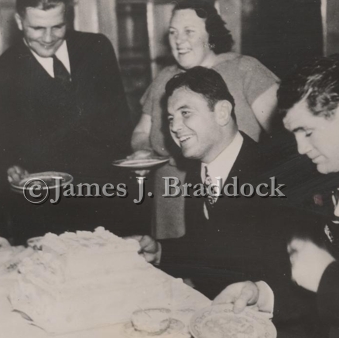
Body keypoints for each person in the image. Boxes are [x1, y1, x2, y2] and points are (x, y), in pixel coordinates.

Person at [135, 67, 316, 332]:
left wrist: (260, 294)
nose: (174, 127)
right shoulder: (200, 171)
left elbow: (310, 284)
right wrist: (162, 251)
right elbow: (211, 248)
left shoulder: (276, 175)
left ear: (222, 112)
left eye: (185, 113)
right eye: (171, 118)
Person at [0, 0, 133, 240]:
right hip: (44, 215)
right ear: (19, 21)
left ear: (68, 18)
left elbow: (120, 124)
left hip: (108, 202)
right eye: (36, 28)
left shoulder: (97, 48)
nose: (48, 38)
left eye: (57, 27)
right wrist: (7, 167)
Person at [129, 0, 279, 239]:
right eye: (173, 32)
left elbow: (283, 132)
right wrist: (143, 151)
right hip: (170, 197)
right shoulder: (165, 78)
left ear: (212, 36)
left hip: (234, 194)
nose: (179, 40)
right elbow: (141, 132)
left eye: (189, 31)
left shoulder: (244, 69)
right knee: (171, 264)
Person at [214, 55, 339, 336]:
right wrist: (262, 295)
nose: (301, 148)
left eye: (307, 132)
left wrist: (327, 279)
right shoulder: (329, 185)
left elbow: (328, 285)